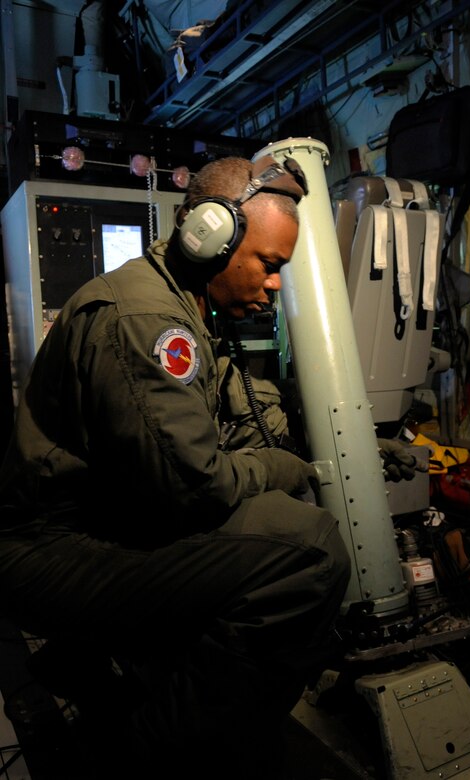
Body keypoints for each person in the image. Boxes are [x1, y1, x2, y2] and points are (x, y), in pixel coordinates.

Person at [0, 154, 353, 779]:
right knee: (310, 551)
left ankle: (127, 675)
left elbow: (227, 422)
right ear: (211, 240)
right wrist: (279, 466)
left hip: (97, 521)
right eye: (269, 266)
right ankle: (147, 756)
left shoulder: (181, 302)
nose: (274, 285)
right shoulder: (147, 322)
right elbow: (193, 489)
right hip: (48, 552)